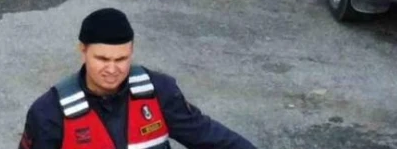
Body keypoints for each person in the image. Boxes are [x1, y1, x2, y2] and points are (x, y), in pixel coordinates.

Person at [18, 8, 258, 149]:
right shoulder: (49, 112)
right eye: (102, 59)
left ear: (132, 51)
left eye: (121, 59)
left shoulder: (159, 92)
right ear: (83, 50)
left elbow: (209, 137)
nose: (112, 69)